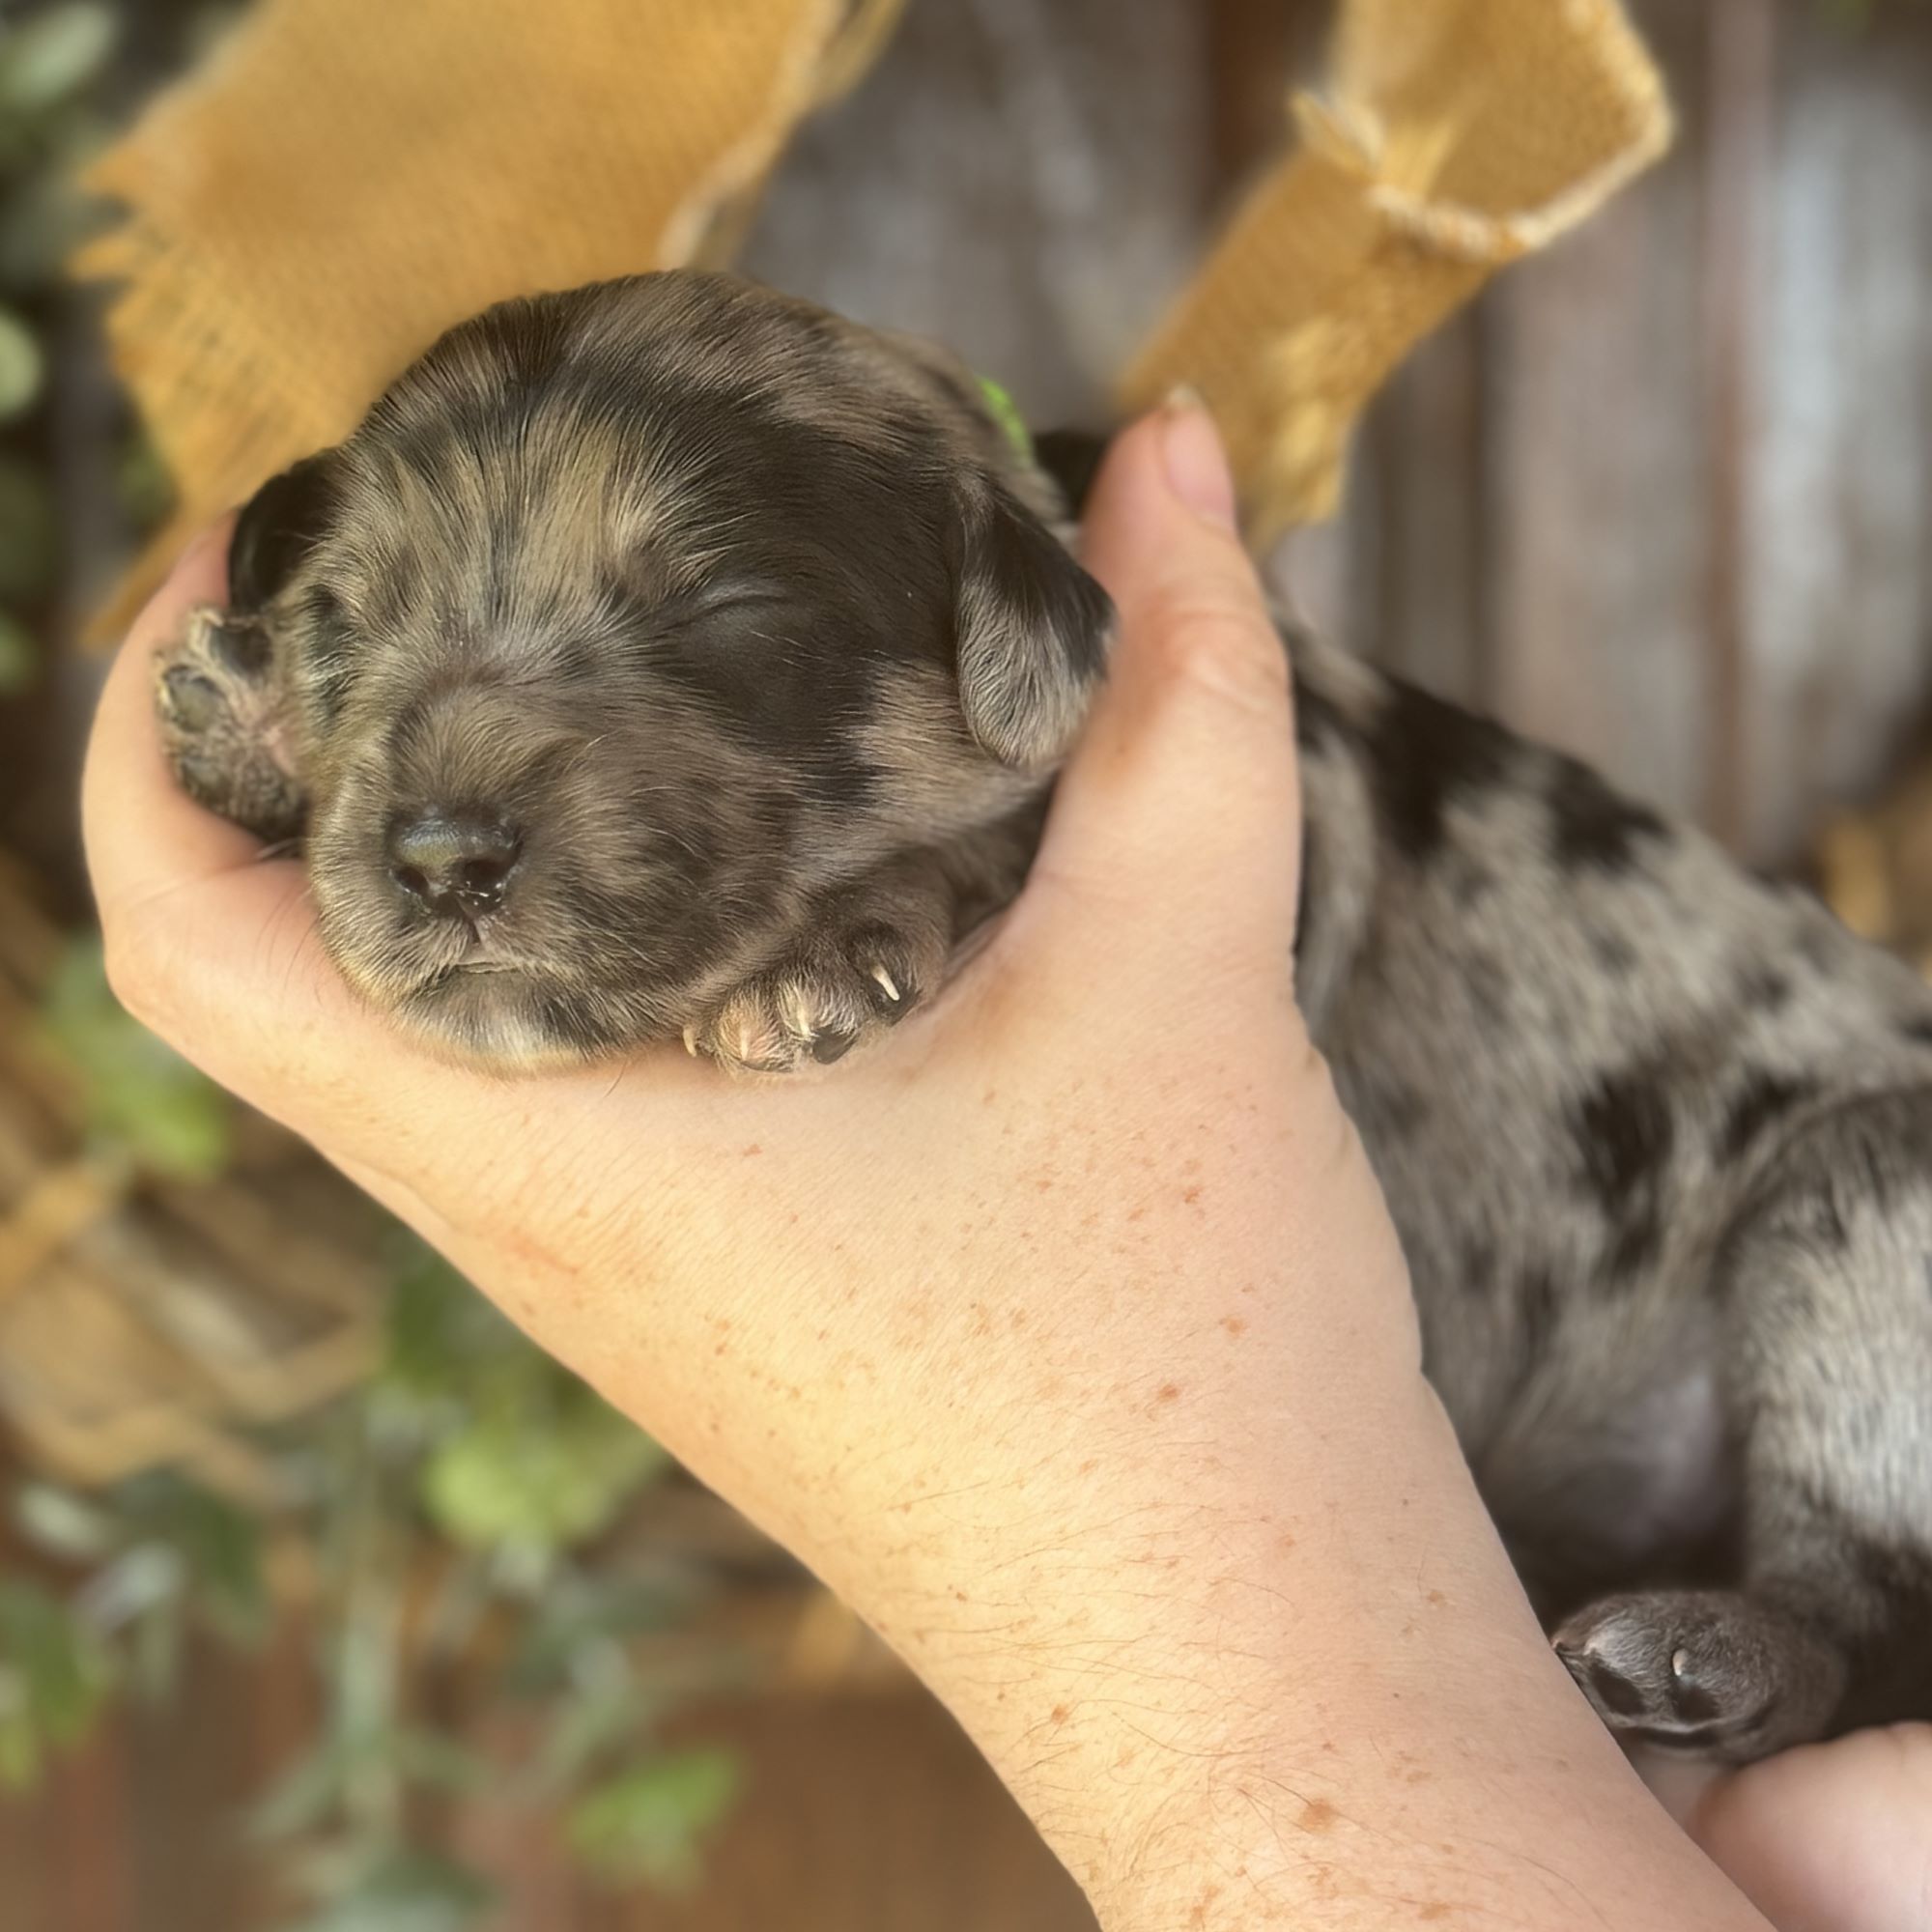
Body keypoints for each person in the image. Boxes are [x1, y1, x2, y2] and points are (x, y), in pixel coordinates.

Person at [84, 399, 1931, 1932]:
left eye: (710, 633)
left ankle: (1835, 1625)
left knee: (1880, 1191)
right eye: (356, 638)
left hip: (1746, 1191)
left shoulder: (1058, 701)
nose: (452, 791)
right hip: (1540, 1554)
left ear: (1007, 633)